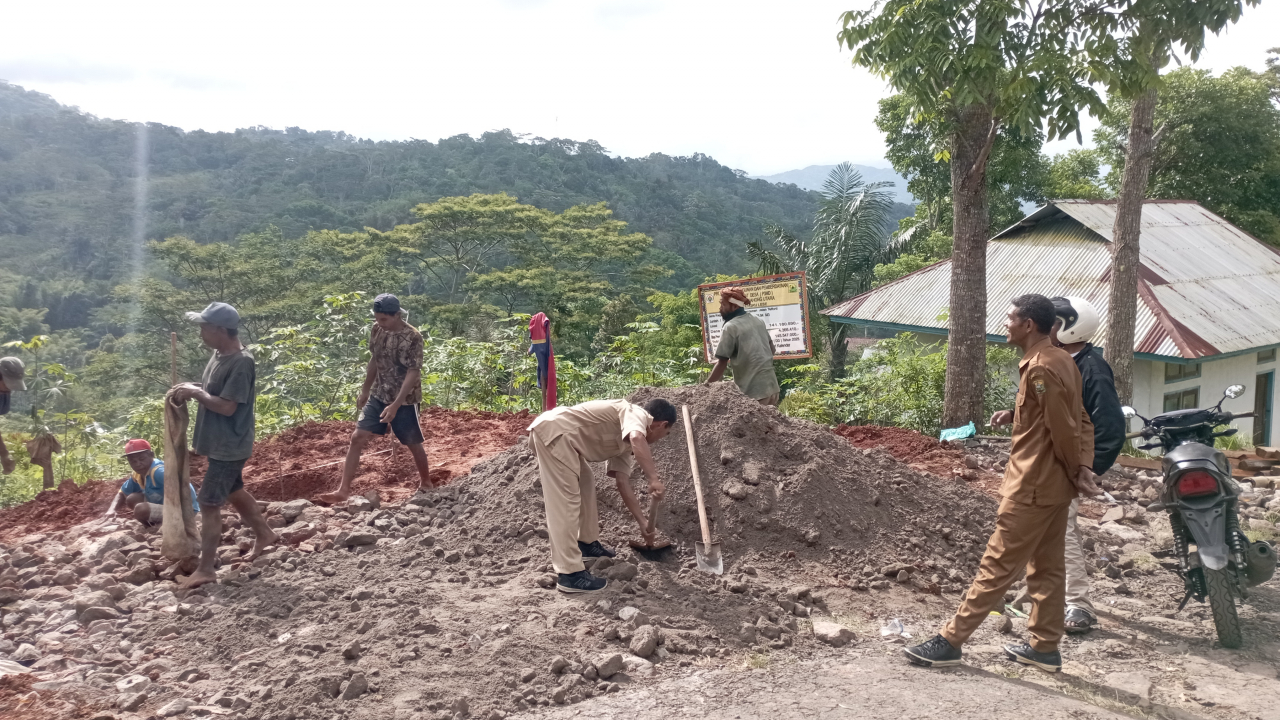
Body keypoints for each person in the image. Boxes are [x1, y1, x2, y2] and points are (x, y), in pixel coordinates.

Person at [904, 294, 1101, 673]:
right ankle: (1044, 647)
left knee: (996, 565)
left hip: (1033, 486)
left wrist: (1078, 468)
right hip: (1053, 487)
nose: (1006, 324)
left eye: (1011, 318)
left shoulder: (1043, 367)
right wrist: (1081, 466)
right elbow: (1079, 419)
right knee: (1047, 568)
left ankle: (950, 641)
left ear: (1029, 325)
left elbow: (1065, 429)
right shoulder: (1061, 359)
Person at [990, 296, 1123, 634]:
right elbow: (1045, 406)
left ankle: (1078, 605)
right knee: (1047, 535)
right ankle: (1043, 607)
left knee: (1063, 533)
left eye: (1055, 325)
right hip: (1048, 466)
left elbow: (1104, 425)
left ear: (1067, 328)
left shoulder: (1090, 368)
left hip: (1066, 466)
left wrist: (1086, 470)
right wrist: (1013, 414)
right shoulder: (1057, 359)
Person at [172, 302, 277, 588]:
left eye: (204, 328)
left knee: (208, 501)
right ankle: (265, 533)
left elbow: (228, 407)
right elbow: (213, 391)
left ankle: (206, 569)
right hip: (220, 442)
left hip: (230, 445)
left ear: (220, 330)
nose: (201, 334)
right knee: (234, 490)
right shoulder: (219, 355)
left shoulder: (241, 362)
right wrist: (190, 389)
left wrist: (195, 393)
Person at [528, 397, 677, 593]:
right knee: (566, 502)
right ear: (661, 424)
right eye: (666, 433)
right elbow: (637, 438)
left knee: (586, 482)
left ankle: (587, 544)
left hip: (567, 444)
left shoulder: (627, 442)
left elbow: (622, 483)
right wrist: (653, 478)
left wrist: (642, 523)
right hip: (555, 433)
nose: (661, 439)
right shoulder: (636, 414)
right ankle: (569, 575)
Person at [317, 293, 430, 504]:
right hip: (379, 393)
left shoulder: (413, 337)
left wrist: (396, 405)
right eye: (377, 318)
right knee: (357, 437)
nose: (380, 323)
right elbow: (375, 359)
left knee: (412, 443)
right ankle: (343, 491)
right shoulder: (377, 329)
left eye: (384, 319)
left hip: (405, 400)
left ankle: (426, 483)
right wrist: (365, 390)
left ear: (397, 315)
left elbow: (413, 372)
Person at [706, 287, 781, 406]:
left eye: (723, 305)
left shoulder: (730, 327)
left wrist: (706, 387)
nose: (720, 309)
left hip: (755, 395)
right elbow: (772, 349)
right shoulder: (758, 320)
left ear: (735, 306)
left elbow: (722, 363)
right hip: (772, 389)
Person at [113, 438, 200, 525]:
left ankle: (160, 527)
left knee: (141, 509)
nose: (137, 464)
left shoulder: (159, 472)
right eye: (133, 461)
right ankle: (155, 524)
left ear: (151, 455)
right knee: (132, 499)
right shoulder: (138, 474)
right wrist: (111, 511)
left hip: (185, 511)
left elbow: (185, 487)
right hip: (167, 506)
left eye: (141, 459)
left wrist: (188, 514)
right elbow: (122, 492)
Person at [0, 357, 25, 476]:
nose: (9, 389)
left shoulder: (3, 393)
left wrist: (4, 454)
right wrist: (4, 453)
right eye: (7, 384)